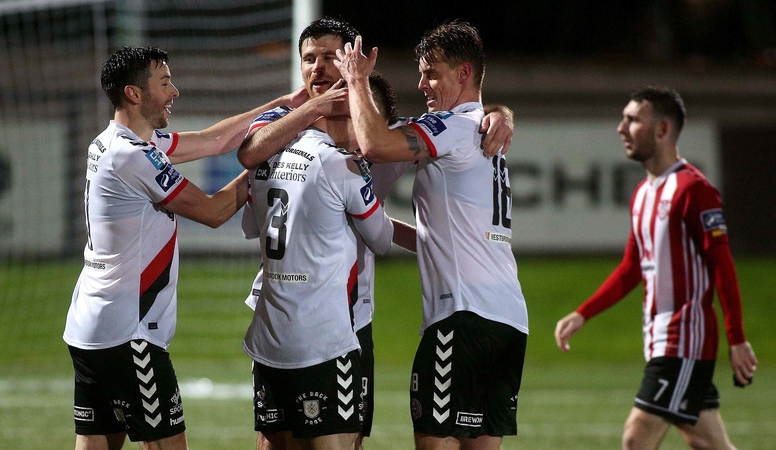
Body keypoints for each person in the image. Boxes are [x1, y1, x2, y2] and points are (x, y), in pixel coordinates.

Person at [237, 16, 516, 450]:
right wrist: (310, 111)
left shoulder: (375, 135)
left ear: (352, 62)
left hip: (349, 320)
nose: (317, 68)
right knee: (275, 439)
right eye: (308, 59)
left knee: (345, 440)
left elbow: (447, 126)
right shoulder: (283, 126)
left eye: (330, 57)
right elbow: (248, 150)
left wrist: (498, 113)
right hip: (280, 312)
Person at [335, 22, 529, 450]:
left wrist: (356, 79)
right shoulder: (481, 129)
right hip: (509, 321)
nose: (421, 83)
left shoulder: (455, 128)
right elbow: (439, 235)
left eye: (431, 72)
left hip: (462, 319)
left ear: (464, 73)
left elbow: (374, 144)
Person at [61, 46, 258, 450]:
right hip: (127, 332)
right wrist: (263, 164)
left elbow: (214, 139)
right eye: (165, 82)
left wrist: (292, 105)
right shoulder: (133, 156)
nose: (175, 92)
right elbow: (215, 211)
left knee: (96, 442)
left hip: (90, 326)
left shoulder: (113, 142)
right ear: (135, 94)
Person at [554, 86, 759, 450]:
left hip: (684, 338)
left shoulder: (694, 190)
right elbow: (633, 267)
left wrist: (737, 338)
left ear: (662, 130)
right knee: (709, 443)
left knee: (636, 437)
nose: (621, 128)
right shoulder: (643, 194)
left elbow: (722, 264)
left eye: (633, 120)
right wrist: (583, 313)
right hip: (659, 337)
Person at [241, 72, 402, 450]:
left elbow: (252, 225)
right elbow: (381, 240)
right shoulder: (343, 163)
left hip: (271, 333)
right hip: (327, 335)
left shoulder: (268, 151)